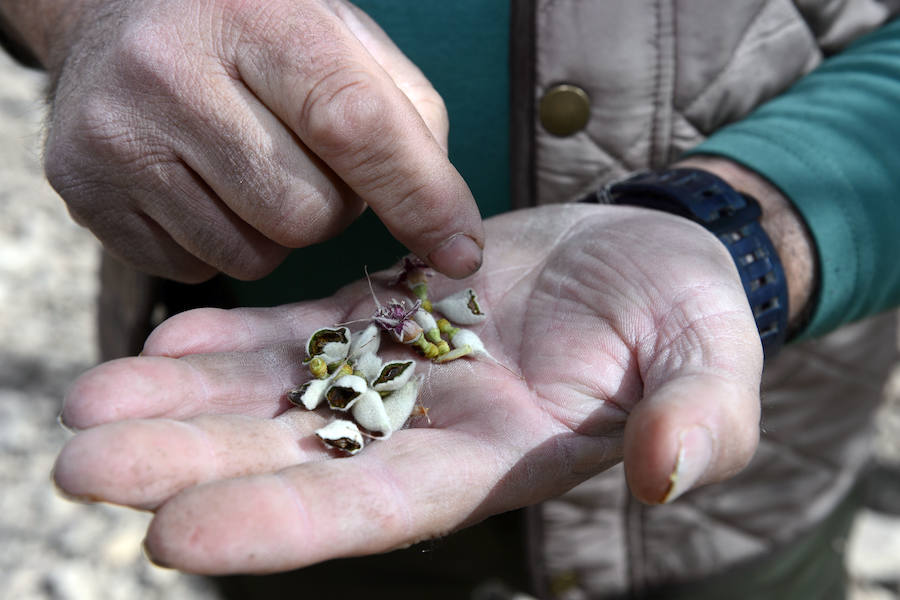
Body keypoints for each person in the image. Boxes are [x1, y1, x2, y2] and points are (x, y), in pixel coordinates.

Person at [3, 1, 900, 597]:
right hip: (280, 467)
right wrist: (85, 15)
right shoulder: (364, 380)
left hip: (741, 522)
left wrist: (743, 224)